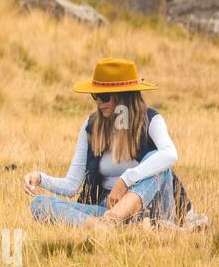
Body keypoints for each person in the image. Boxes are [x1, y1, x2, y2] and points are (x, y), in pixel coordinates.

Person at [24, 58, 180, 228]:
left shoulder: (151, 120)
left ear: (124, 96)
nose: (98, 102)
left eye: (104, 97)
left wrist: (125, 181)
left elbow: (170, 154)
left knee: (155, 158)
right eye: (95, 96)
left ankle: (113, 222)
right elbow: (72, 185)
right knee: (39, 204)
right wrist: (40, 178)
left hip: (153, 208)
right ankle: (102, 228)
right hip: (105, 209)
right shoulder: (91, 127)